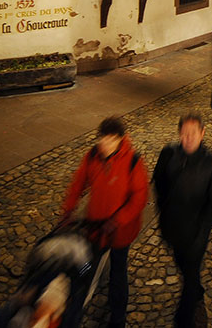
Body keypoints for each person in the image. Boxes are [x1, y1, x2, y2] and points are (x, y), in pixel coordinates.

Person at [60, 116, 148, 328]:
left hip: (120, 233)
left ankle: (118, 317)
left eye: (111, 140)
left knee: (118, 273)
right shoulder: (92, 156)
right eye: (103, 139)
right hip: (95, 227)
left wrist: (117, 220)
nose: (105, 144)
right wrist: (68, 210)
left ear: (121, 139)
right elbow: (78, 183)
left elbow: (139, 198)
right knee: (85, 266)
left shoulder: (133, 161)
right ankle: (75, 304)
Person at [153, 113, 212, 328]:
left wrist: (202, 231)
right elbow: (159, 183)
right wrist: (165, 211)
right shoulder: (168, 154)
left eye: (193, 133)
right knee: (183, 266)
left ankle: (184, 319)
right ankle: (197, 291)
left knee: (190, 275)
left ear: (202, 133)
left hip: (196, 234)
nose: (188, 138)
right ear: (179, 133)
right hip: (172, 229)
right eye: (185, 133)